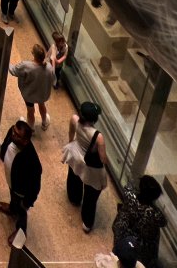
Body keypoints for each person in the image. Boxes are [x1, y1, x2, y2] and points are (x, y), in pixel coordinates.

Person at [62, 101, 108, 233]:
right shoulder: (98, 136)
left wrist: (72, 145)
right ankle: (87, 222)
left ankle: (74, 198)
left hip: (76, 155)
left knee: (73, 177)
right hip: (90, 166)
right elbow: (103, 158)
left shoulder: (74, 119)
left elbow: (71, 134)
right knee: (91, 195)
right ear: (94, 119)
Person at [0, 120, 42, 244]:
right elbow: (6, 144)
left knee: (22, 210)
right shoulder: (12, 133)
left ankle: (21, 231)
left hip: (22, 191)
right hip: (13, 183)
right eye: (14, 132)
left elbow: (35, 187)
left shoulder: (33, 162)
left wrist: (27, 202)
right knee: (13, 197)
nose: (13, 136)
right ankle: (12, 208)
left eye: (18, 135)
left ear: (26, 140)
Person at [112, 176, 166, 268]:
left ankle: (119, 256)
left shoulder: (129, 196)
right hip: (140, 244)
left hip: (122, 233)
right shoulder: (155, 214)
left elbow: (128, 186)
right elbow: (163, 222)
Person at [9, 44, 54, 130]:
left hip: (29, 95)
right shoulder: (49, 67)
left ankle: (31, 127)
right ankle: (44, 123)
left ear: (33, 54)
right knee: (42, 105)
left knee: (30, 110)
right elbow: (52, 78)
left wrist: (6, 60)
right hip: (42, 94)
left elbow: (13, 71)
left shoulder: (26, 66)